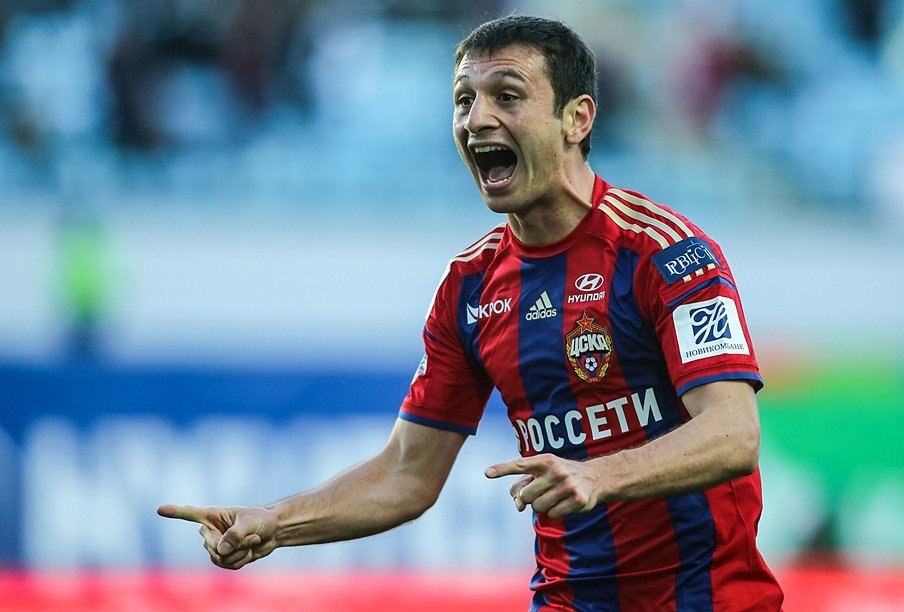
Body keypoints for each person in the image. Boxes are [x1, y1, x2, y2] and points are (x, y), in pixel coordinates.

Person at [158, 15, 785, 611]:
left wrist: (601, 476)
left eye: (506, 97)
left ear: (576, 118)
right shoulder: (471, 287)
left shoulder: (666, 252)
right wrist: (276, 522)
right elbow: (406, 473)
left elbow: (734, 434)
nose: (477, 119)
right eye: (464, 101)